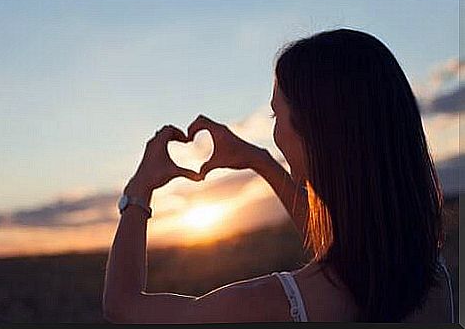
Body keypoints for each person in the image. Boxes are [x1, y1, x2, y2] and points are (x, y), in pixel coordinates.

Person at [102, 28, 454, 323]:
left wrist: (138, 192)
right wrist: (260, 161)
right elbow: (347, 245)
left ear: (316, 134)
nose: (275, 133)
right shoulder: (431, 280)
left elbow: (123, 305)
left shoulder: (272, 306)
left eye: (275, 116)